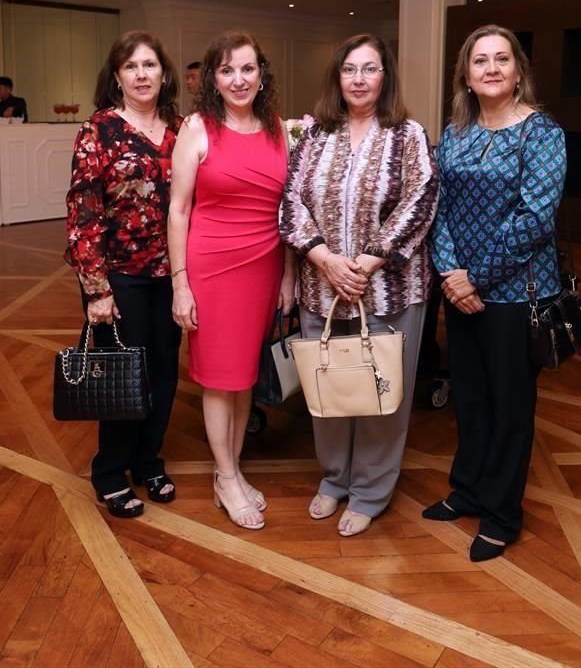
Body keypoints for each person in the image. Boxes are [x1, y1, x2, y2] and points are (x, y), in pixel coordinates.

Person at [280, 33, 439, 537]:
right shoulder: (314, 137)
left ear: (385, 76)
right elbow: (290, 202)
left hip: (389, 288)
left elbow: (422, 198)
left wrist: (369, 261)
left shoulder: (407, 134)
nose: (359, 79)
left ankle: (371, 490)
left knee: (379, 390)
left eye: (370, 69)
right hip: (322, 286)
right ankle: (334, 480)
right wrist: (325, 259)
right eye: (350, 69)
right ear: (338, 77)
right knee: (328, 384)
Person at [427, 24, 566, 562]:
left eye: (501, 59)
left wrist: (473, 277)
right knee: (471, 396)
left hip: (515, 294)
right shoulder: (456, 133)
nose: (490, 68)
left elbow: (535, 220)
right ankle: (468, 490)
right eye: (479, 60)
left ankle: (502, 514)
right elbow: (438, 211)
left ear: (517, 70)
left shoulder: (541, 133)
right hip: (460, 289)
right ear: (465, 73)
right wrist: (449, 273)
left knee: (510, 406)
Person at [168, 31, 294, 531]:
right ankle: (224, 476)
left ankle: (233, 470)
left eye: (247, 69)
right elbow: (178, 211)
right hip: (212, 267)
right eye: (227, 71)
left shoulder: (279, 128)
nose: (238, 79)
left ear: (262, 74)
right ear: (213, 80)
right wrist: (181, 283)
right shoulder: (198, 128)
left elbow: (289, 211)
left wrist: (288, 274)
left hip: (263, 267)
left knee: (242, 377)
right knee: (220, 381)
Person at [65, 30, 182, 519]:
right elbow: (82, 213)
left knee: (164, 372)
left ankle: (147, 460)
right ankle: (110, 471)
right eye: (131, 66)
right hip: (118, 277)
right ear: (116, 76)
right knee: (123, 376)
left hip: (172, 272)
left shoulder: (181, 129)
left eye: (149, 65)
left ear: (163, 73)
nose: (141, 74)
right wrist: (96, 290)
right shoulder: (98, 130)